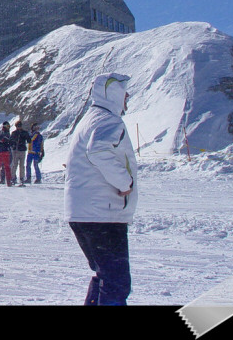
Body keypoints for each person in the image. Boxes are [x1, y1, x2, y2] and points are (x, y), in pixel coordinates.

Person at [65, 73, 138, 306]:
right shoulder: (108, 121)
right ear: (114, 95)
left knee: (105, 277)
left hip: (84, 213)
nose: (128, 98)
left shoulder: (90, 118)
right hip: (102, 215)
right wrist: (125, 183)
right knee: (116, 282)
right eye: (125, 94)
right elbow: (98, 151)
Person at [10, 121, 31, 186]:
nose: (18, 127)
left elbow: (29, 140)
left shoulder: (15, 133)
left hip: (19, 150)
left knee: (18, 165)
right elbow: (29, 140)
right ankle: (16, 178)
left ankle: (18, 179)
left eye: (19, 126)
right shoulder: (22, 132)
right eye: (18, 126)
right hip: (18, 150)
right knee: (17, 165)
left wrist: (14, 145)